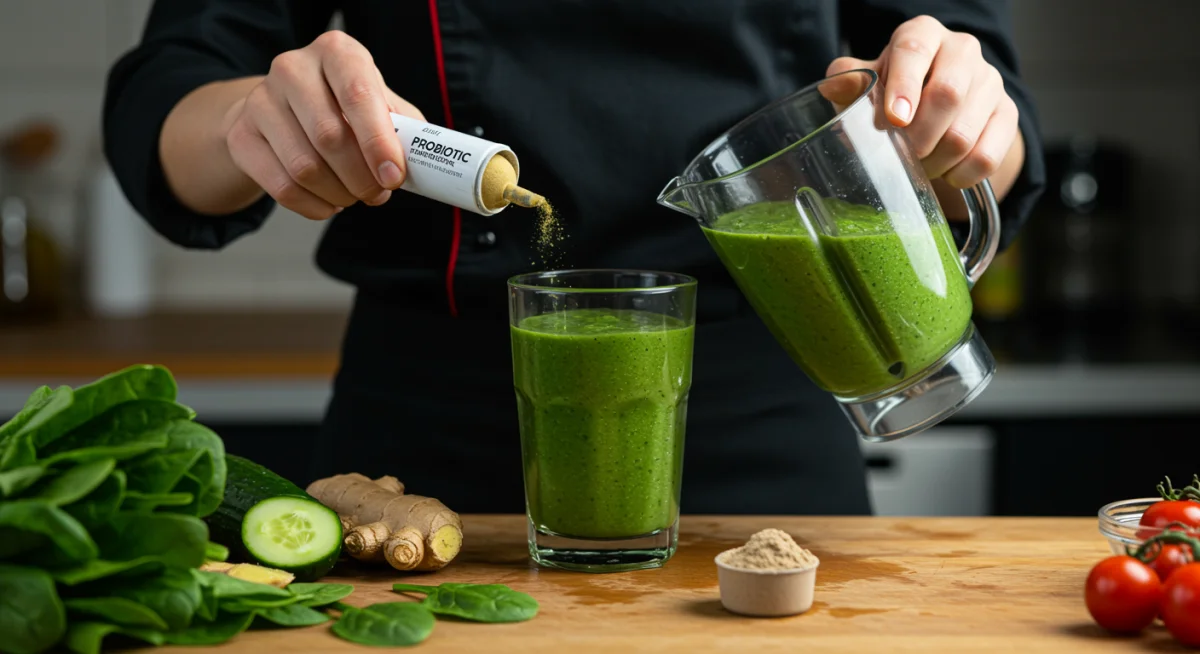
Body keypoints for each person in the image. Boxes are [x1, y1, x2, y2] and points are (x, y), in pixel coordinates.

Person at [103, 1, 1044, 516]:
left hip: (763, 408)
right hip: (426, 446)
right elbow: (169, 87)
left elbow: (981, 97)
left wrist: (968, 126)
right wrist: (247, 121)